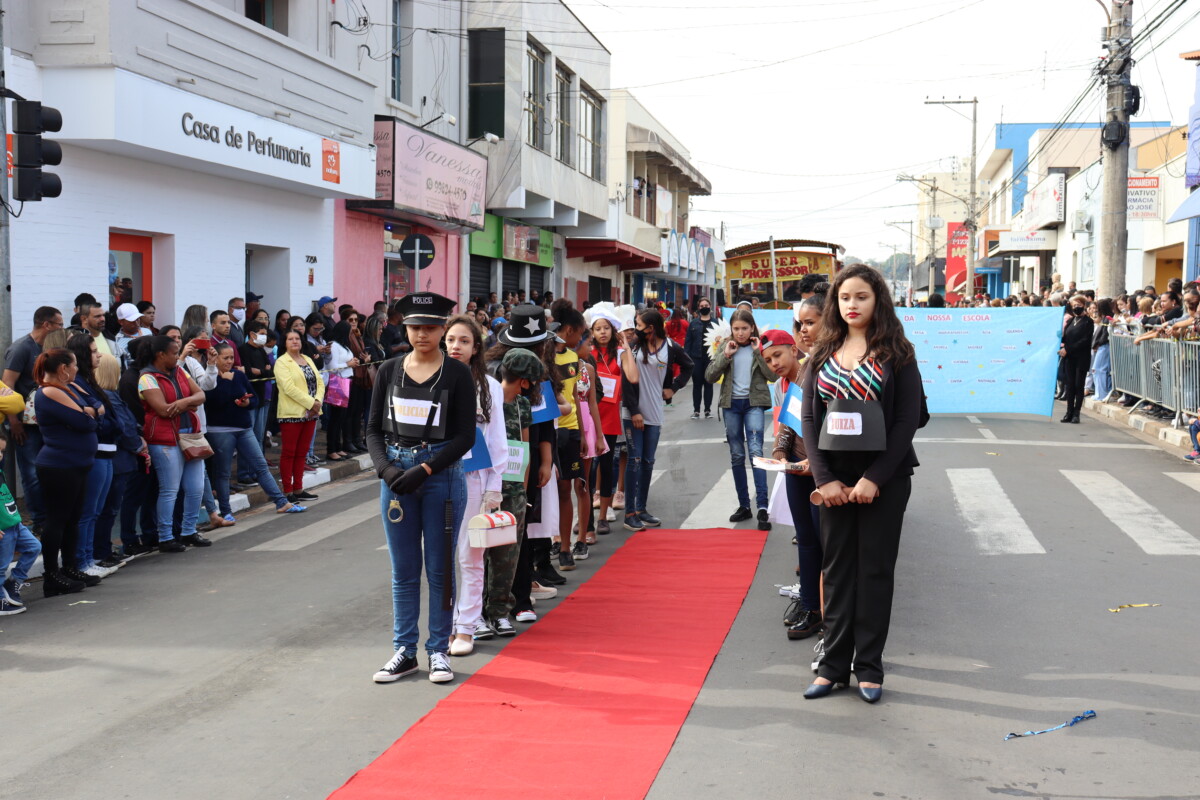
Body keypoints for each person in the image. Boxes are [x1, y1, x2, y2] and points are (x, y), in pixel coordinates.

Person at [800, 264, 923, 704]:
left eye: (862, 297)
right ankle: (832, 667)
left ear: (878, 301)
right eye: (845, 297)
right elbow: (809, 418)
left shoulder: (898, 352)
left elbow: (908, 420)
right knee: (835, 573)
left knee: (874, 572)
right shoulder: (822, 351)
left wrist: (874, 478)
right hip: (833, 481)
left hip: (884, 480)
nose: (852, 304)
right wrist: (824, 478)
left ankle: (869, 667)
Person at [366, 292, 475, 686]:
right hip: (396, 475)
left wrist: (427, 468)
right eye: (415, 327)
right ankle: (405, 651)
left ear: (442, 329)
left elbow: (465, 436)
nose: (422, 334)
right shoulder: (389, 369)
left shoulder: (457, 374)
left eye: (430, 327)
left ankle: (438, 650)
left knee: (440, 569)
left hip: (441, 476)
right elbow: (372, 429)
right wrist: (386, 469)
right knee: (404, 570)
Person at [444, 315, 508, 654]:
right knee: (440, 557)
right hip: (436, 475)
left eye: (464, 341)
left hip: (473, 477)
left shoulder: (489, 386)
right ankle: (444, 625)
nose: (456, 346)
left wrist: (494, 485)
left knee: (470, 555)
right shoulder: (430, 378)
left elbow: (497, 439)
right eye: (451, 339)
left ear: (476, 347)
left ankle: (466, 626)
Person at [761, 327, 824, 643]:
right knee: (808, 542)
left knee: (828, 545)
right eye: (768, 360)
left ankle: (829, 611)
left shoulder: (824, 368)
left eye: (777, 355)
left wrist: (818, 461)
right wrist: (780, 451)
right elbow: (789, 422)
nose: (774, 363)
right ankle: (811, 606)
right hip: (797, 470)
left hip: (823, 473)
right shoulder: (795, 379)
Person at [204, 343, 304, 516]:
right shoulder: (209, 378)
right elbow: (214, 401)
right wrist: (225, 381)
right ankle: (226, 512)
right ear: (215, 358)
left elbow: (255, 399)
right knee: (223, 472)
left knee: (261, 466)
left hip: (244, 427)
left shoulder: (238, 375)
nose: (229, 361)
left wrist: (247, 402)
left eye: (231, 358)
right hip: (220, 430)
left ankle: (282, 502)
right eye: (225, 358)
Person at [33, 347, 103, 595]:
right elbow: (86, 422)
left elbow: (97, 405)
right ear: (63, 368)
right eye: (74, 365)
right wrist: (89, 414)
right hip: (59, 466)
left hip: (76, 464)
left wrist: (90, 412)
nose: (77, 369)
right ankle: (52, 575)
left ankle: (70, 567)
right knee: (57, 520)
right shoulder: (49, 391)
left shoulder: (69, 387)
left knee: (73, 519)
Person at [620, 309, 693, 532]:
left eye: (639, 325)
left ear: (651, 328)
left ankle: (641, 509)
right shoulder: (633, 347)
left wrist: (674, 388)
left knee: (648, 461)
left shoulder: (670, 346)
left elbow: (689, 366)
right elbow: (626, 381)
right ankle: (629, 514)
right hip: (633, 413)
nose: (636, 329)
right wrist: (634, 411)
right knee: (634, 460)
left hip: (655, 413)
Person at [706, 307, 776, 531]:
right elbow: (710, 375)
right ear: (731, 329)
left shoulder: (760, 346)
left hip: (753, 404)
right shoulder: (726, 346)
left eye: (745, 328)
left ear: (752, 327)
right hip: (731, 406)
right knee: (737, 455)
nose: (740, 332)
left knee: (756, 453)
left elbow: (773, 375)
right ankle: (744, 505)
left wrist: (758, 353)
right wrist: (726, 355)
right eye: (736, 328)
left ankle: (763, 507)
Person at [137, 335, 210, 552]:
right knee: (170, 489)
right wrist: (189, 403)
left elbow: (201, 395)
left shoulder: (179, 371)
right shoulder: (147, 377)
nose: (178, 357)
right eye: (174, 353)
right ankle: (166, 537)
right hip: (164, 439)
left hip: (190, 435)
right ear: (161, 355)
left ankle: (188, 531)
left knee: (196, 488)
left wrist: (182, 403)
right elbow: (162, 410)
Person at [66, 334, 124, 579]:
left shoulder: (88, 381)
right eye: (92, 351)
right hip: (94, 452)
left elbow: (104, 413)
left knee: (96, 511)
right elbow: (92, 417)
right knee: (88, 512)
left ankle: (89, 558)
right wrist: (107, 421)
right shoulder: (77, 382)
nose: (98, 354)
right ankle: (82, 562)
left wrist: (108, 420)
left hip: (106, 451)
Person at [3, 305, 64, 533]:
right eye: (59, 324)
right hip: (25, 424)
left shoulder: (50, 348)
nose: (62, 328)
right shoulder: (22, 348)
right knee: (31, 473)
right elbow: (7, 385)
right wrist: (14, 421)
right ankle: (40, 521)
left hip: (47, 421)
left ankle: (50, 517)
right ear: (46, 324)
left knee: (50, 471)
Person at [586, 305, 625, 535]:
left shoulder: (619, 353)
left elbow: (631, 378)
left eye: (606, 328)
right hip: (588, 416)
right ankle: (586, 517)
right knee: (589, 469)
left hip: (610, 416)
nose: (602, 332)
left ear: (613, 330)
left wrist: (626, 347)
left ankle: (603, 516)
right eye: (598, 328)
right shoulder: (586, 353)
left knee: (607, 464)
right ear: (591, 332)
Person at [274, 330, 325, 503]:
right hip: (292, 413)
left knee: (302, 452)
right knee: (289, 452)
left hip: (311, 412)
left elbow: (319, 382)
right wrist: (311, 403)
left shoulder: (307, 359)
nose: (294, 341)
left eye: (297, 338)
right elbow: (288, 388)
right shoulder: (282, 362)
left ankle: (298, 488)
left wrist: (317, 401)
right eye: (290, 339)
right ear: (285, 342)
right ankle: (288, 491)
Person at [0, 428, 43, 615]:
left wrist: (16, 520)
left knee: (34, 547)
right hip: (3, 529)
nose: (0, 455)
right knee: (1, 566)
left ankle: (14, 582)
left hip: (14, 524)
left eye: (2, 451)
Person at [325, 318, 363, 462]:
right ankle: (331, 449)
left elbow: (347, 362)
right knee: (336, 418)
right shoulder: (334, 345)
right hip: (338, 383)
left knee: (342, 417)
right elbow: (332, 367)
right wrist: (348, 364)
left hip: (347, 381)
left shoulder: (344, 346)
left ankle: (338, 447)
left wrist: (354, 362)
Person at [238, 320, 274, 472]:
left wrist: (261, 371)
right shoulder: (243, 350)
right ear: (252, 334)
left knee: (260, 436)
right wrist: (262, 371)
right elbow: (247, 371)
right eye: (262, 334)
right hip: (250, 398)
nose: (265, 337)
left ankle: (258, 470)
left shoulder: (261, 351)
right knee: (249, 437)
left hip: (263, 397)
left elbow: (270, 372)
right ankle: (245, 472)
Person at [1059, 294, 1094, 424]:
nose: (1076, 307)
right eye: (1074, 305)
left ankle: (1076, 413)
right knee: (1070, 385)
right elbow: (1066, 338)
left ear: (1084, 305)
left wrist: (1068, 349)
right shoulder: (1070, 321)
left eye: (1078, 305)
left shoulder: (1088, 322)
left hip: (1081, 358)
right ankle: (1068, 412)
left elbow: (1085, 340)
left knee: (1079, 385)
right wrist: (1059, 340)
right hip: (1069, 358)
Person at [685, 297, 717, 418]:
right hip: (696, 358)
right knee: (697, 385)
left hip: (710, 359)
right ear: (698, 308)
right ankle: (696, 410)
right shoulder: (693, 323)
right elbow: (688, 342)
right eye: (702, 306)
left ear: (710, 307)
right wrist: (686, 358)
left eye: (706, 306)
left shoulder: (715, 323)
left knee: (709, 384)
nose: (704, 308)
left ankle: (707, 410)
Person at [113, 303, 145, 370]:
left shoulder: (147, 332)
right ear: (121, 322)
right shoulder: (117, 343)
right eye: (132, 320)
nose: (136, 323)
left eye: (138, 319)